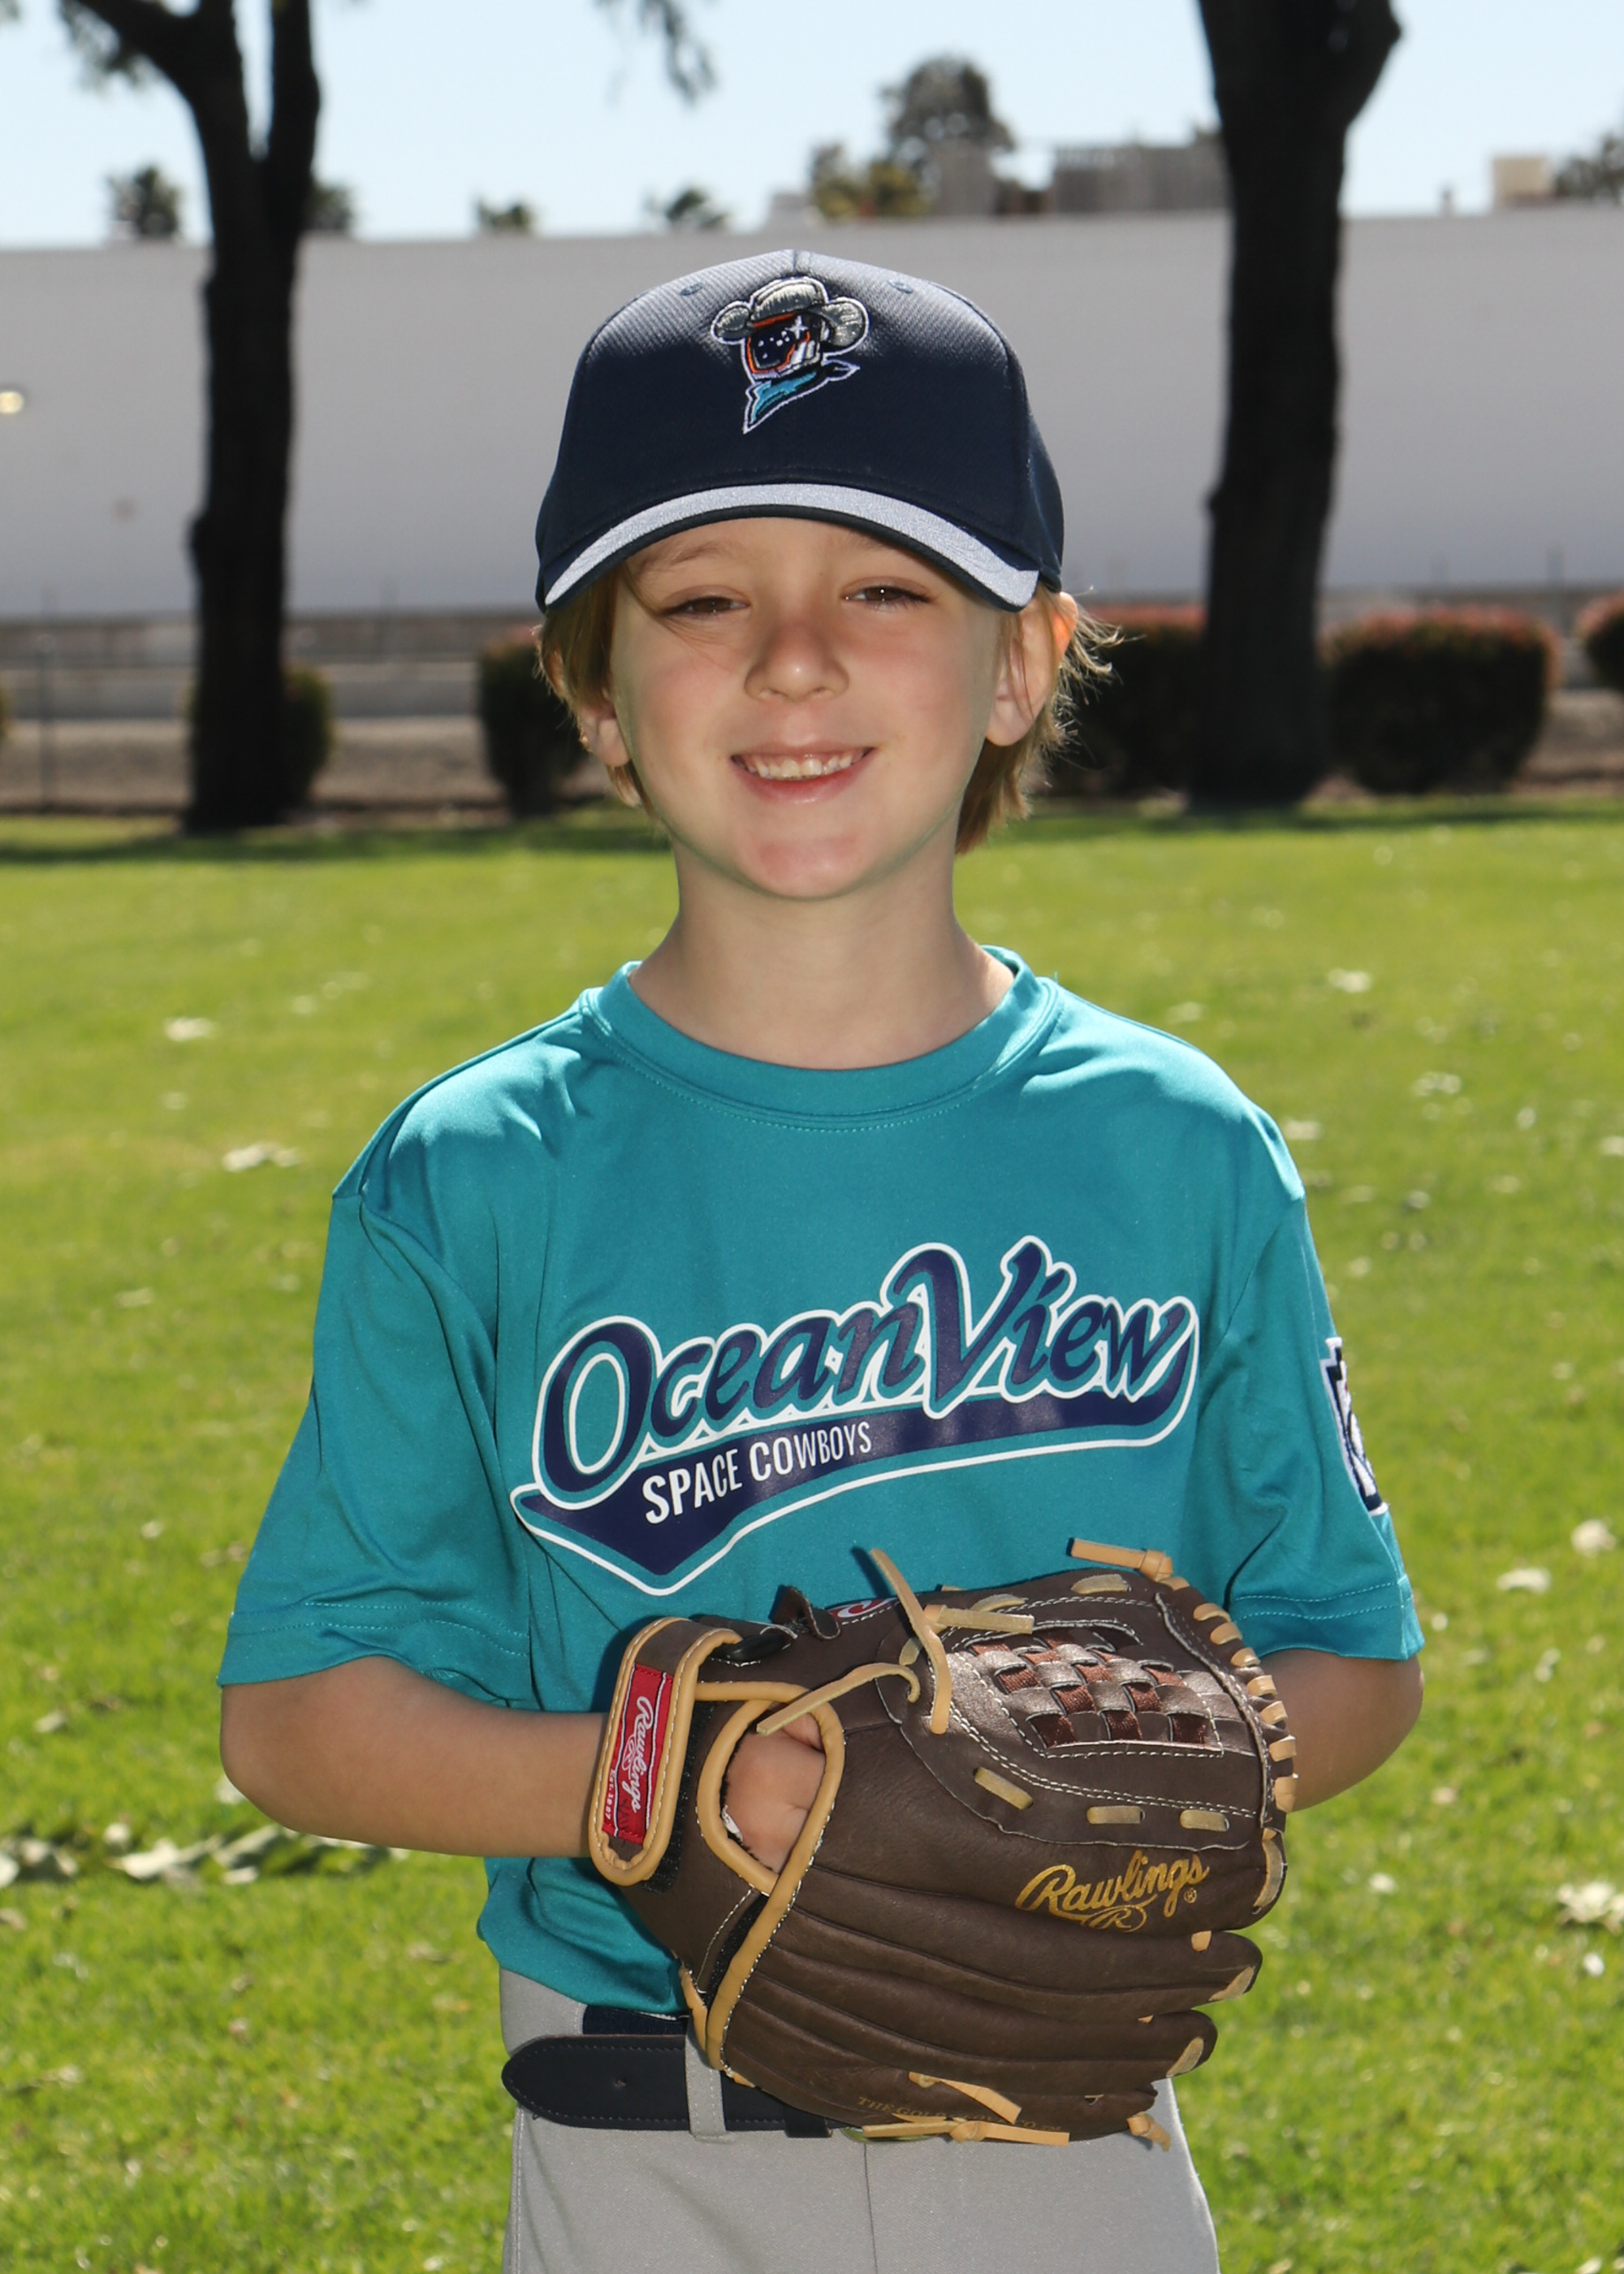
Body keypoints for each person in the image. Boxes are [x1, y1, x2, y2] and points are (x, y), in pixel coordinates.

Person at [218, 251, 1423, 2274]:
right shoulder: (478, 1173)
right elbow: (300, 1715)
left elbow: (1354, 1655)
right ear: (594, 689)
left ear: (1022, 662)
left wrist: (1095, 1778)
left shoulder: (1176, 1145)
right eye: (701, 600)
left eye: (883, 587)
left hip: (1072, 2134)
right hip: (643, 2144)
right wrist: (680, 1775)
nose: (792, 662)